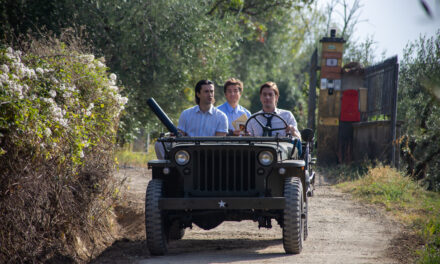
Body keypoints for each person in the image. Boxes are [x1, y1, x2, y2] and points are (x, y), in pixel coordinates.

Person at [155, 80, 228, 159]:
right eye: (206, 91)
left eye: (212, 91)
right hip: (188, 153)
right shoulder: (186, 114)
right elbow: (180, 137)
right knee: (160, 143)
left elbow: (219, 143)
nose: (210, 94)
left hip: (210, 155)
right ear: (198, 94)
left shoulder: (221, 116)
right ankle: (169, 167)